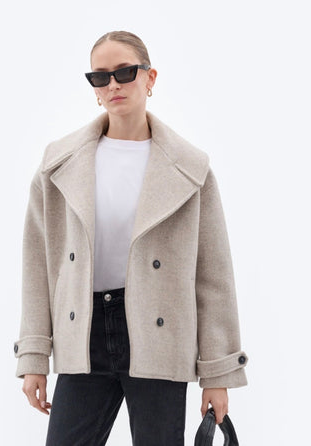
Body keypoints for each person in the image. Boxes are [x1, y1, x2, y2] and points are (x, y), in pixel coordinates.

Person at [13, 30, 249, 446]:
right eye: (100, 76)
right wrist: (34, 356)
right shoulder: (58, 165)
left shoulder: (190, 169)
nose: (113, 84)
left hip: (161, 334)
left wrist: (218, 374)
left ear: (150, 78)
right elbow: (38, 267)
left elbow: (213, 276)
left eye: (124, 72)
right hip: (83, 334)